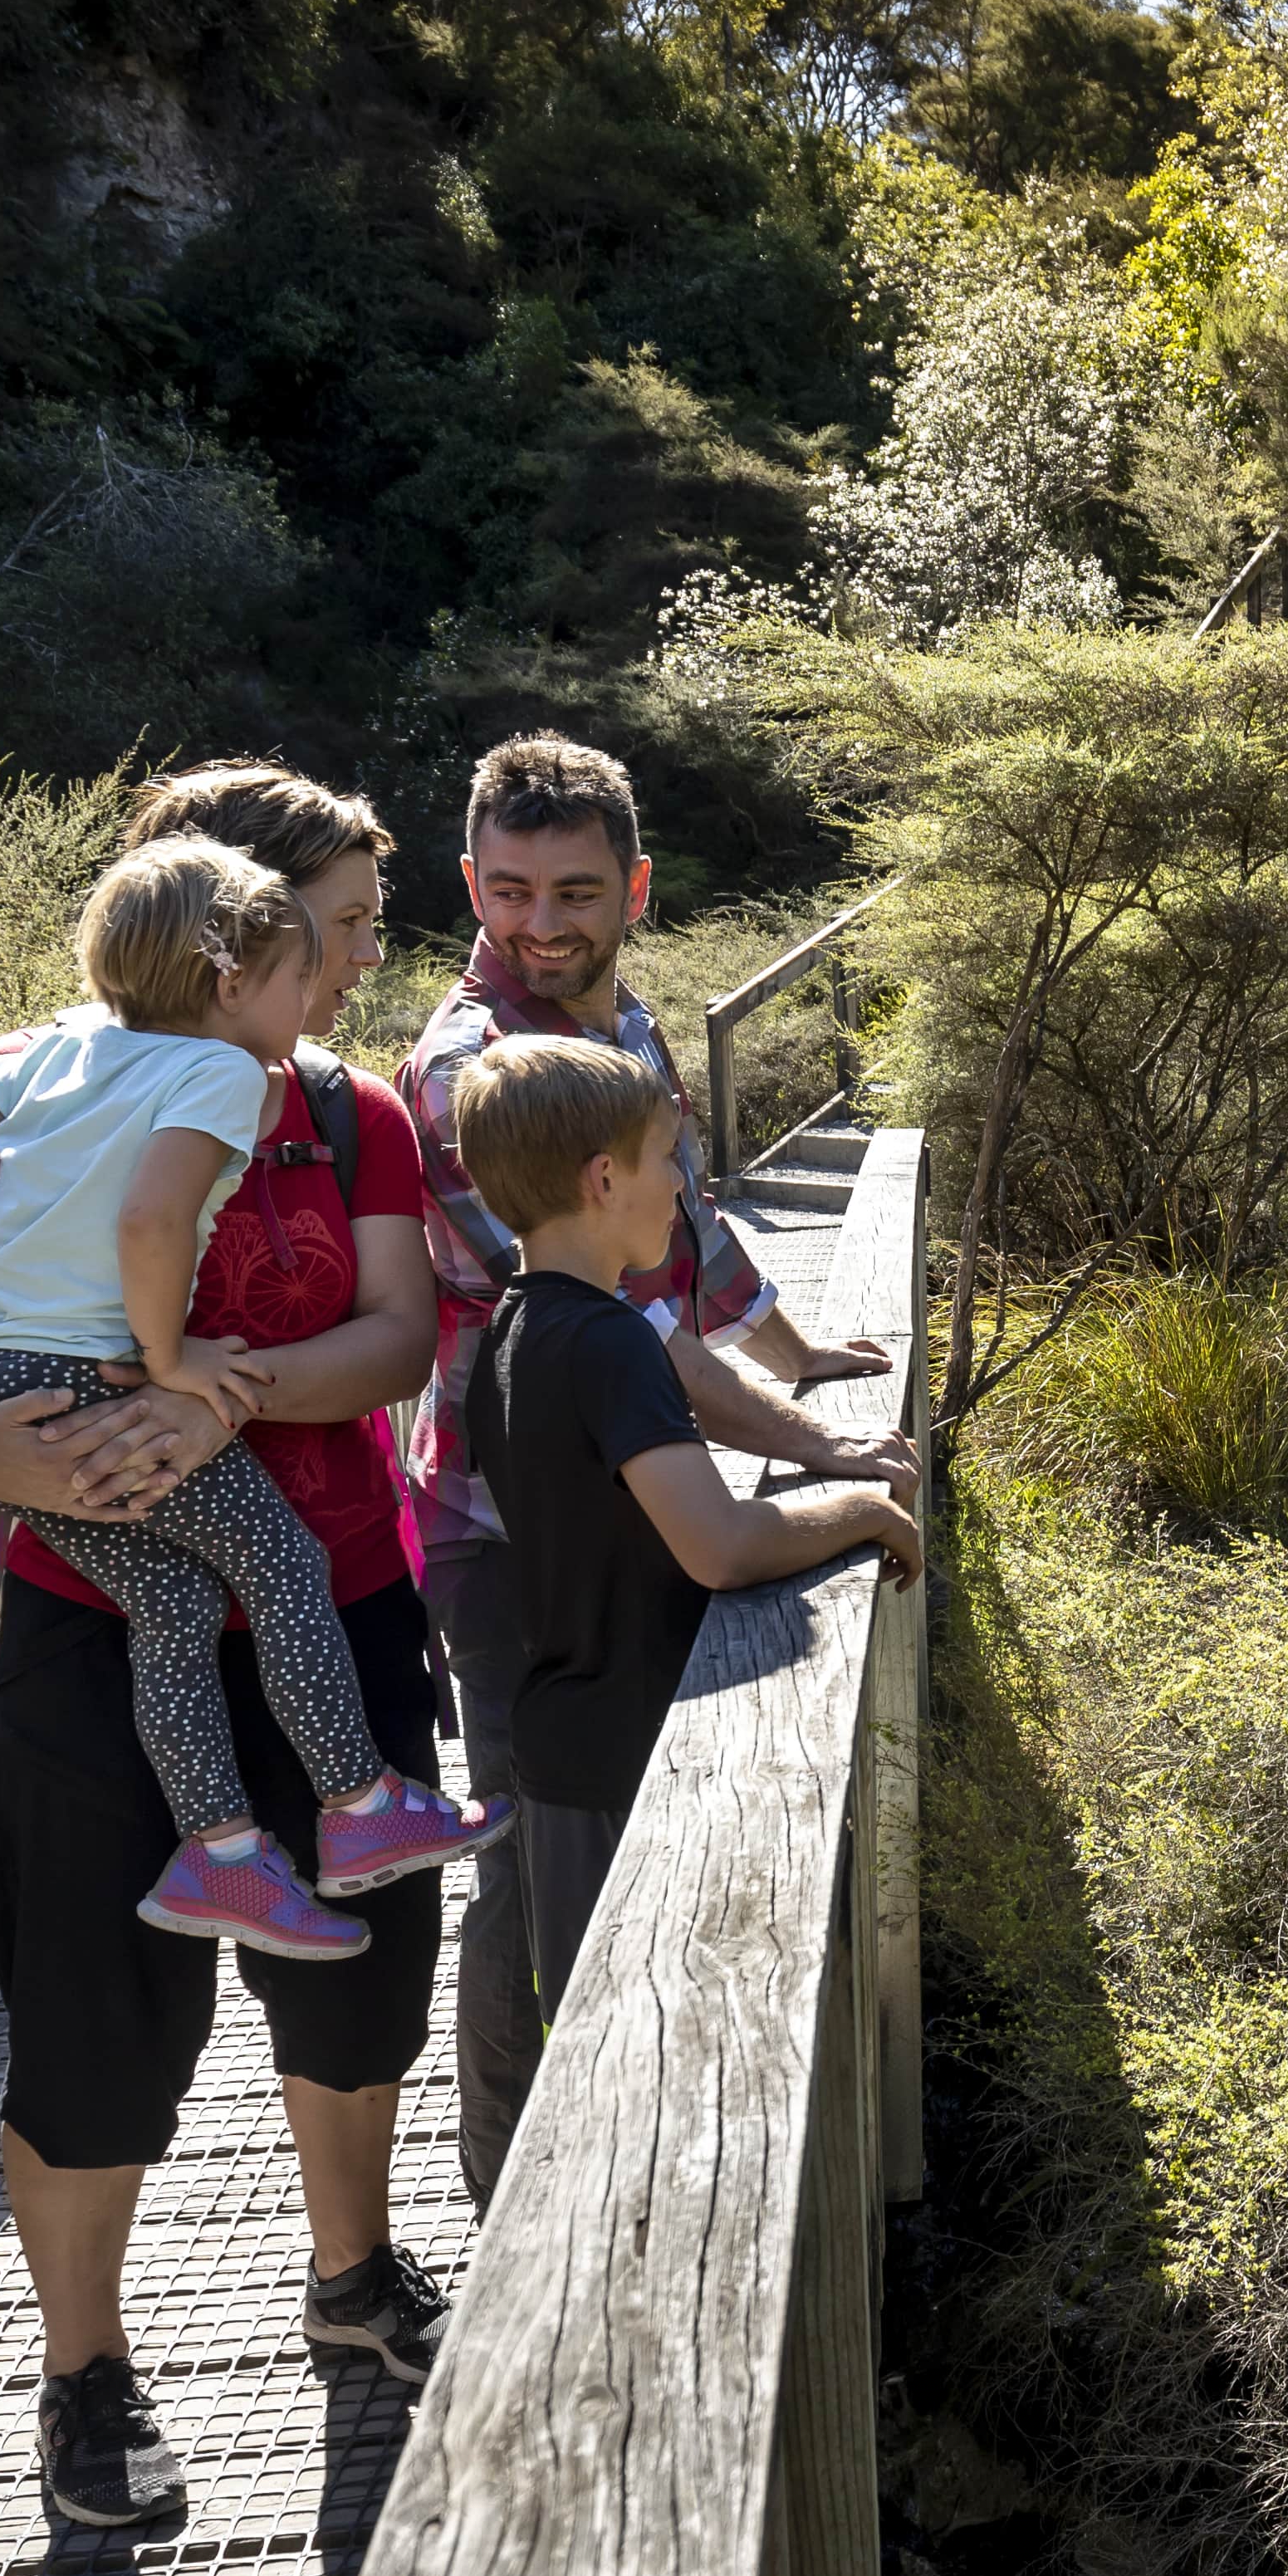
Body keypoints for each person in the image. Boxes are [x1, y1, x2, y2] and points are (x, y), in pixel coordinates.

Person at [0, 762, 458, 2532]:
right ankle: (86, 2372)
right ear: (218, 937)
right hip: (87, 1621)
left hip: (334, 1604)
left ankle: (355, 2275)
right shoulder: (29, 1076)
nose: (347, 974)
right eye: (327, 936)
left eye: (359, 935)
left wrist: (224, 1402)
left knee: (356, 1974)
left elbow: (400, 1335)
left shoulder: (351, 1115)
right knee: (97, 2015)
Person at [402, 729, 913, 2208]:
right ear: (470, 883)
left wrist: (797, 1348)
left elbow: (690, 1242)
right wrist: (814, 1451)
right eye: (507, 892)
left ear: (634, 888)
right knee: (522, 1870)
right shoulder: (476, 1079)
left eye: (572, 891)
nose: (538, 925)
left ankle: (650, 2157)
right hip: (516, 1536)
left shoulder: (627, 1037)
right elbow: (624, 1332)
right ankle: (510, 2194)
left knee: (643, 1832)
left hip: (630, 1501)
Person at [0, 838, 503, 1960]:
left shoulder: (59, 1049)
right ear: (230, 980)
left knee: (176, 1609)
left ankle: (225, 1856)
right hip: (91, 1375)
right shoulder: (222, 1073)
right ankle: (356, 1809)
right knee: (282, 1563)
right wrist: (177, 1358)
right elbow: (153, 1224)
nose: (322, 991)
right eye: (304, 968)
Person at [443, 1036, 921, 1988]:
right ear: (605, 1177)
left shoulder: (512, 1329)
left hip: (566, 1749)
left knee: (584, 2014)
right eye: (670, 1158)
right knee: (647, 2012)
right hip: (632, 1757)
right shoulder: (610, 1342)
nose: (683, 1186)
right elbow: (720, 1546)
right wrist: (862, 1509)